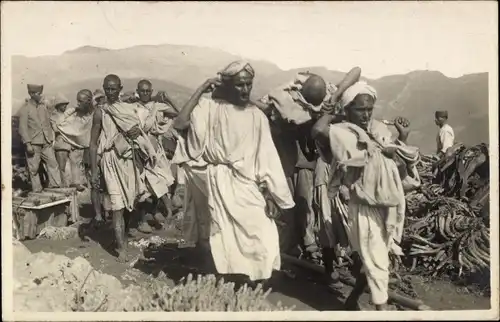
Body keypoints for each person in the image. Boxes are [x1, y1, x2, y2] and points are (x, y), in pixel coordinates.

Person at [172, 60, 295, 282]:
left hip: (246, 184)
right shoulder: (210, 108)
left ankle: (253, 278)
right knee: (223, 236)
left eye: (248, 84)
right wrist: (202, 88)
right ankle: (232, 281)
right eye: (239, 85)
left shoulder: (257, 116)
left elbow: (266, 157)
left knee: (262, 231)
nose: (245, 89)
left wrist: (271, 193)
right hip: (218, 179)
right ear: (228, 85)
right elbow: (180, 123)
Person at [312, 81, 421, 310]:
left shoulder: (380, 130)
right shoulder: (342, 133)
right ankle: (381, 309)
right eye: (360, 109)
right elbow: (318, 131)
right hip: (363, 207)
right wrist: (331, 107)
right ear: (348, 109)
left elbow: (399, 170)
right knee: (377, 260)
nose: (366, 114)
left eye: (369, 109)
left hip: (388, 205)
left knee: (373, 259)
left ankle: (352, 300)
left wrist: (403, 139)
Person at [257, 68, 361, 258]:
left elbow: (356, 71)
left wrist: (335, 97)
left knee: (305, 204)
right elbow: (286, 119)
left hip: (306, 161)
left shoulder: (328, 97)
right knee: (285, 203)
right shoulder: (285, 102)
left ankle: (307, 242)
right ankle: (286, 244)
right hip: (285, 159)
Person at [89, 74, 154, 262]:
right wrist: (94, 170)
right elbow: (93, 144)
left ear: (120, 88)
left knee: (129, 204)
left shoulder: (128, 108)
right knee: (117, 205)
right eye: (107, 88)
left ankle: (122, 240)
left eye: (113, 88)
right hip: (110, 160)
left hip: (129, 160)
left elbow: (141, 131)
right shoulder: (100, 112)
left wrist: (135, 132)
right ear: (103, 88)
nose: (110, 92)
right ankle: (121, 248)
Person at [132, 79, 179, 231]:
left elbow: (178, 113)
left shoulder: (157, 107)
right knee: (142, 186)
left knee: (159, 181)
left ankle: (159, 213)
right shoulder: (133, 107)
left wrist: (168, 99)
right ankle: (145, 219)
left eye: (148, 91)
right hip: (139, 150)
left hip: (155, 152)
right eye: (142, 91)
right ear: (138, 91)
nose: (145, 93)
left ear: (151, 91)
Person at [18, 84, 62, 192]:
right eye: (38, 93)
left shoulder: (43, 107)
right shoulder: (25, 109)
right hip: (33, 143)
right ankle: (37, 190)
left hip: (46, 142)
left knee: (53, 164)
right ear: (31, 94)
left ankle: (56, 187)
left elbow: (47, 123)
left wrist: (50, 139)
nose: (40, 95)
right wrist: (28, 144)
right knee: (34, 169)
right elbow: (22, 128)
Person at [50, 90, 94, 190]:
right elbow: (59, 127)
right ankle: (64, 185)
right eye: (62, 104)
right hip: (62, 144)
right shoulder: (56, 115)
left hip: (76, 144)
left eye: (66, 104)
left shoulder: (77, 113)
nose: (65, 106)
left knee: (77, 163)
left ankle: (76, 182)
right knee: (62, 166)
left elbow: (76, 128)